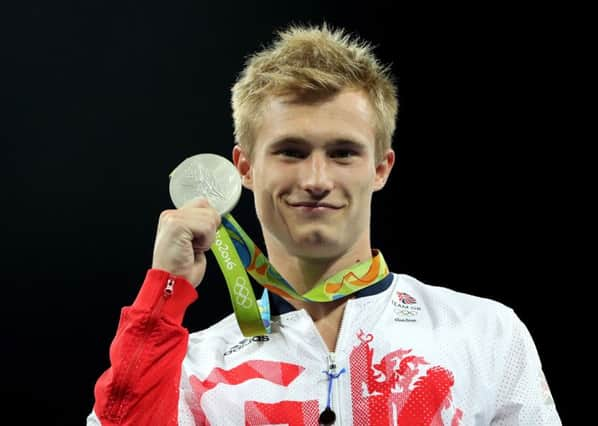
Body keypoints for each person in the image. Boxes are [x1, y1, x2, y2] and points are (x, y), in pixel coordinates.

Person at [87, 24, 561, 425]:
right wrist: (163, 298)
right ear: (245, 168)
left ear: (381, 167)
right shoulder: (189, 368)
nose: (316, 179)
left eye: (342, 153)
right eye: (291, 151)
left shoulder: (484, 333)